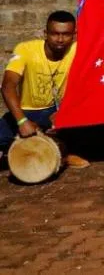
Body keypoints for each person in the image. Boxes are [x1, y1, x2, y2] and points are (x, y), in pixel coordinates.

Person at [0, 11, 88, 169]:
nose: (60, 39)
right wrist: (22, 121)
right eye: (55, 34)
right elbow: (8, 86)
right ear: (45, 33)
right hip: (26, 112)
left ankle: (65, 153)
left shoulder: (78, 49)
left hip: (59, 109)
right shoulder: (25, 49)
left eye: (66, 34)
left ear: (74, 34)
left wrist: (66, 110)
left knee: (89, 122)